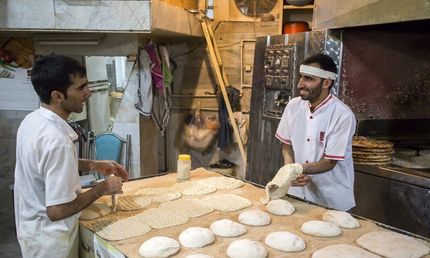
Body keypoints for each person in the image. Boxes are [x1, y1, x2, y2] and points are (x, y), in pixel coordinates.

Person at [14, 55, 129, 258]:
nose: (88, 93)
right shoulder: (56, 139)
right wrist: (103, 188)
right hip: (51, 243)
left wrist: (94, 164)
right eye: (80, 88)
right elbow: (56, 211)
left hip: (32, 229)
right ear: (58, 96)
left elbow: (46, 163)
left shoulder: (32, 120)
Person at [275, 53, 356, 211]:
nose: (300, 84)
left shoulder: (342, 115)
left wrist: (295, 169)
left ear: (326, 82)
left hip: (330, 198)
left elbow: (330, 162)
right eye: (301, 77)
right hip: (296, 192)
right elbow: (286, 144)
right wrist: (290, 169)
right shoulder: (293, 106)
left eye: (308, 79)